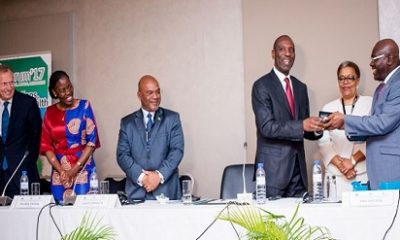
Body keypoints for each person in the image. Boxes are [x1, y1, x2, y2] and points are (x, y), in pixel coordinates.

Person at [251, 35, 324, 198]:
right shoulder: (261, 86)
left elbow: (303, 127)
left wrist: (318, 128)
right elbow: (267, 127)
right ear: (273, 54)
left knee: (301, 222)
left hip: (298, 173)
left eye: (291, 50)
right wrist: (302, 126)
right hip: (273, 172)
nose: (288, 53)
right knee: (271, 222)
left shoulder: (300, 87)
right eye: (282, 49)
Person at [327, 39, 400, 190]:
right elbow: (374, 127)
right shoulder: (382, 87)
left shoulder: (397, 84)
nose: (371, 64)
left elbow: (382, 124)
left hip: (390, 168)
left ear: (390, 59)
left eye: (375, 59)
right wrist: (342, 125)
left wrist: (345, 120)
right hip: (377, 169)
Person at [117, 75, 184, 200]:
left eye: (158, 92)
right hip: (136, 194)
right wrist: (142, 178)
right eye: (149, 93)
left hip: (166, 193)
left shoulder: (172, 119)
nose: (155, 97)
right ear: (139, 95)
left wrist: (158, 176)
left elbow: (177, 150)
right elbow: (122, 155)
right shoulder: (127, 123)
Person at [40, 70, 100, 202]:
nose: (68, 92)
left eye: (69, 87)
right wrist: (61, 171)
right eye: (62, 90)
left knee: (84, 207)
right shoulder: (49, 112)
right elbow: (47, 146)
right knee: (59, 207)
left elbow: (91, 142)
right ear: (55, 93)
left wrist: (74, 169)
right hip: (59, 171)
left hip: (83, 166)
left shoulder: (84, 106)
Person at [318, 61, 372, 199]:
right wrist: (341, 165)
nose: (345, 82)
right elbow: (323, 142)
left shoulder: (370, 104)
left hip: (362, 174)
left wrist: (352, 161)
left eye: (350, 78)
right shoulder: (328, 108)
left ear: (358, 81)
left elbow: (375, 138)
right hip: (335, 175)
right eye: (341, 78)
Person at [0, 65, 42, 198]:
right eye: (4, 83)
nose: (9, 87)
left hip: (22, 174)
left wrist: (27, 161)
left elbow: (36, 136)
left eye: (11, 82)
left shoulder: (28, 103)